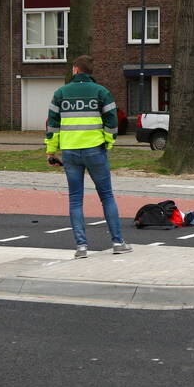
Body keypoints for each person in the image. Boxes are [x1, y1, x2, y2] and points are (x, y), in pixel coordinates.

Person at [45, 55, 132, 259]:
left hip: (70, 151)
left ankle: (81, 247)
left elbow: (52, 125)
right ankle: (118, 242)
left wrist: (51, 150)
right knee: (107, 196)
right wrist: (108, 142)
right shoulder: (101, 92)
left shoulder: (61, 93)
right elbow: (112, 121)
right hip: (95, 149)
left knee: (75, 199)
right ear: (90, 71)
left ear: (75, 69)